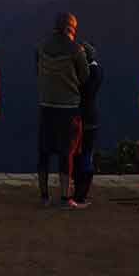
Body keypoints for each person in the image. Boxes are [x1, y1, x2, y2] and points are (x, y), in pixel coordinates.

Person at [36, 13, 89, 208]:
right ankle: (65, 197)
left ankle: (43, 196)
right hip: (68, 107)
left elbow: (37, 71)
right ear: (70, 29)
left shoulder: (42, 47)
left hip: (46, 104)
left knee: (44, 150)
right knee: (66, 152)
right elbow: (85, 77)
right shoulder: (76, 50)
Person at [71, 41, 104, 206]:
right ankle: (80, 192)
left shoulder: (91, 72)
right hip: (89, 117)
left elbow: (84, 92)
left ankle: (80, 193)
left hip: (85, 118)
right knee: (82, 154)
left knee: (82, 155)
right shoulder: (96, 70)